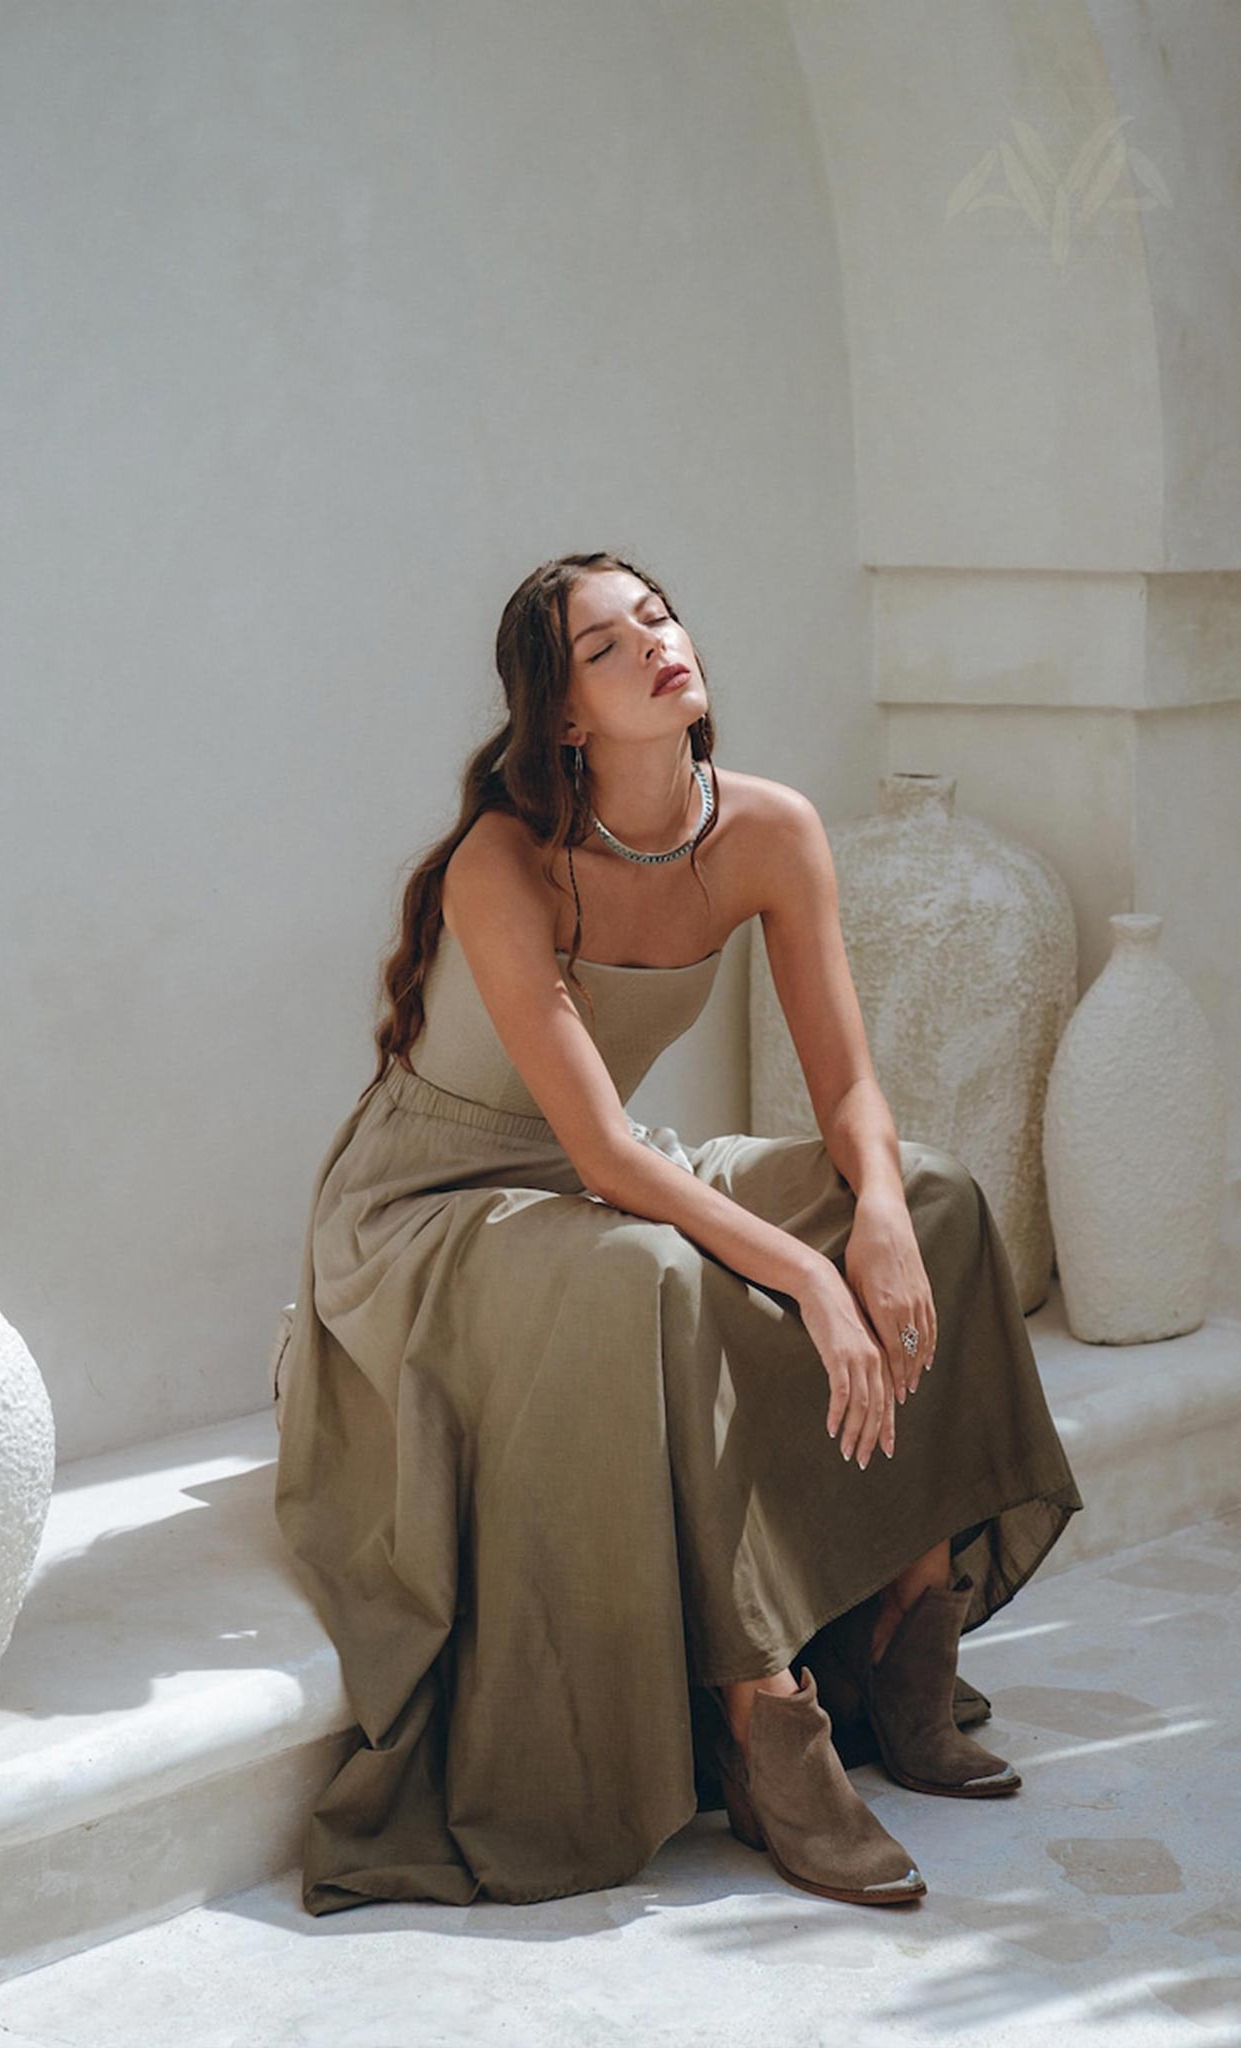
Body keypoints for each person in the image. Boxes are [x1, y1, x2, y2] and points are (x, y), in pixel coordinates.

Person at [273, 549, 1083, 1914]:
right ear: (562, 714)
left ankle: (907, 1628)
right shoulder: (502, 860)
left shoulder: (767, 828)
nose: (655, 644)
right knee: (649, 1267)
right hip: (436, 1206)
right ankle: (764, 1723)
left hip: (606, 1179)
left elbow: (845, 1089)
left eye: (657, 617)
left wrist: (878, 1219)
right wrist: (808, 1280)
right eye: (605, 645)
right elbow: (596, 1154)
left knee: (938, 1195)